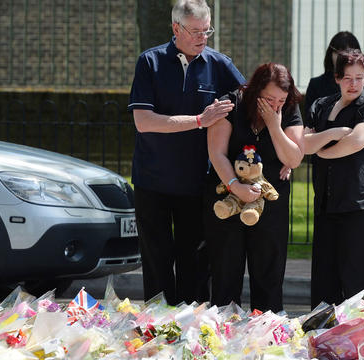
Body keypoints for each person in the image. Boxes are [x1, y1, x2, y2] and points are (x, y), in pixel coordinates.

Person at [127, 0, 246, 305]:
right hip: (152, 182)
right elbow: (143, 121)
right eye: (195, 31)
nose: (202, 38)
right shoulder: (149, 62)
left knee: (195, 265)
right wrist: (199, 121)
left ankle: (193, 331)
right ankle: (158, 329)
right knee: (157, 263)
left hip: (197, 183)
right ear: (175, 28)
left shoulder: (219, 64)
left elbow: (251, 101)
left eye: (207, 31)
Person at [205, 63, 304, 312]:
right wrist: (235, 186)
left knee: (269, 276)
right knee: (226, 273)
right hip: (228, 199)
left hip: (269, 202)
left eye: (281, 99)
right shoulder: (231, 104)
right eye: (269, 98)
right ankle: (224, 335)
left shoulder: (288, 109)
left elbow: (293, 159)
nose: (275, 105)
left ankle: (267, 335)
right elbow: (217, 153)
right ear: (255, 90)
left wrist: (274, 125)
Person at [304, 49, 364, 309]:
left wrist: (321, 148)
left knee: (356, 281)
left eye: (359, 78)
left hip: (361, 203)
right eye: (348, 78)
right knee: (324, 279)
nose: (354, 84)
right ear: (337, 78)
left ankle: (357, 337)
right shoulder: (321, 105)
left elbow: (356, 142)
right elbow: (304, 144)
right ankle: (323, 338)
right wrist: (336, 133)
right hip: (327, 203)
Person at [304, 31, 364, 117]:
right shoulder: (316, 84)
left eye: (359, 78)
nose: (353, 84)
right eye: (338, 52)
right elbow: (309, 121)